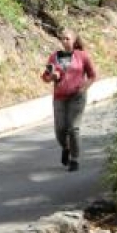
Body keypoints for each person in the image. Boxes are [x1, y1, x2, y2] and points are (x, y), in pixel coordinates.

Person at [41, 29, 98, 172]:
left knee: (73, 128)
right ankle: (66, 148)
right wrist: (52, 76)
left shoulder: (82, 56)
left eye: (67, 38)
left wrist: (84, 88)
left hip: (77, 97)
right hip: (59, 97)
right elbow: (45, 78)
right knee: (60, 130)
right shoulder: (54, 57)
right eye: (62, 38)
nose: (64, 41)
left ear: (74, 40)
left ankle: (75, 159)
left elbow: (92, 75)